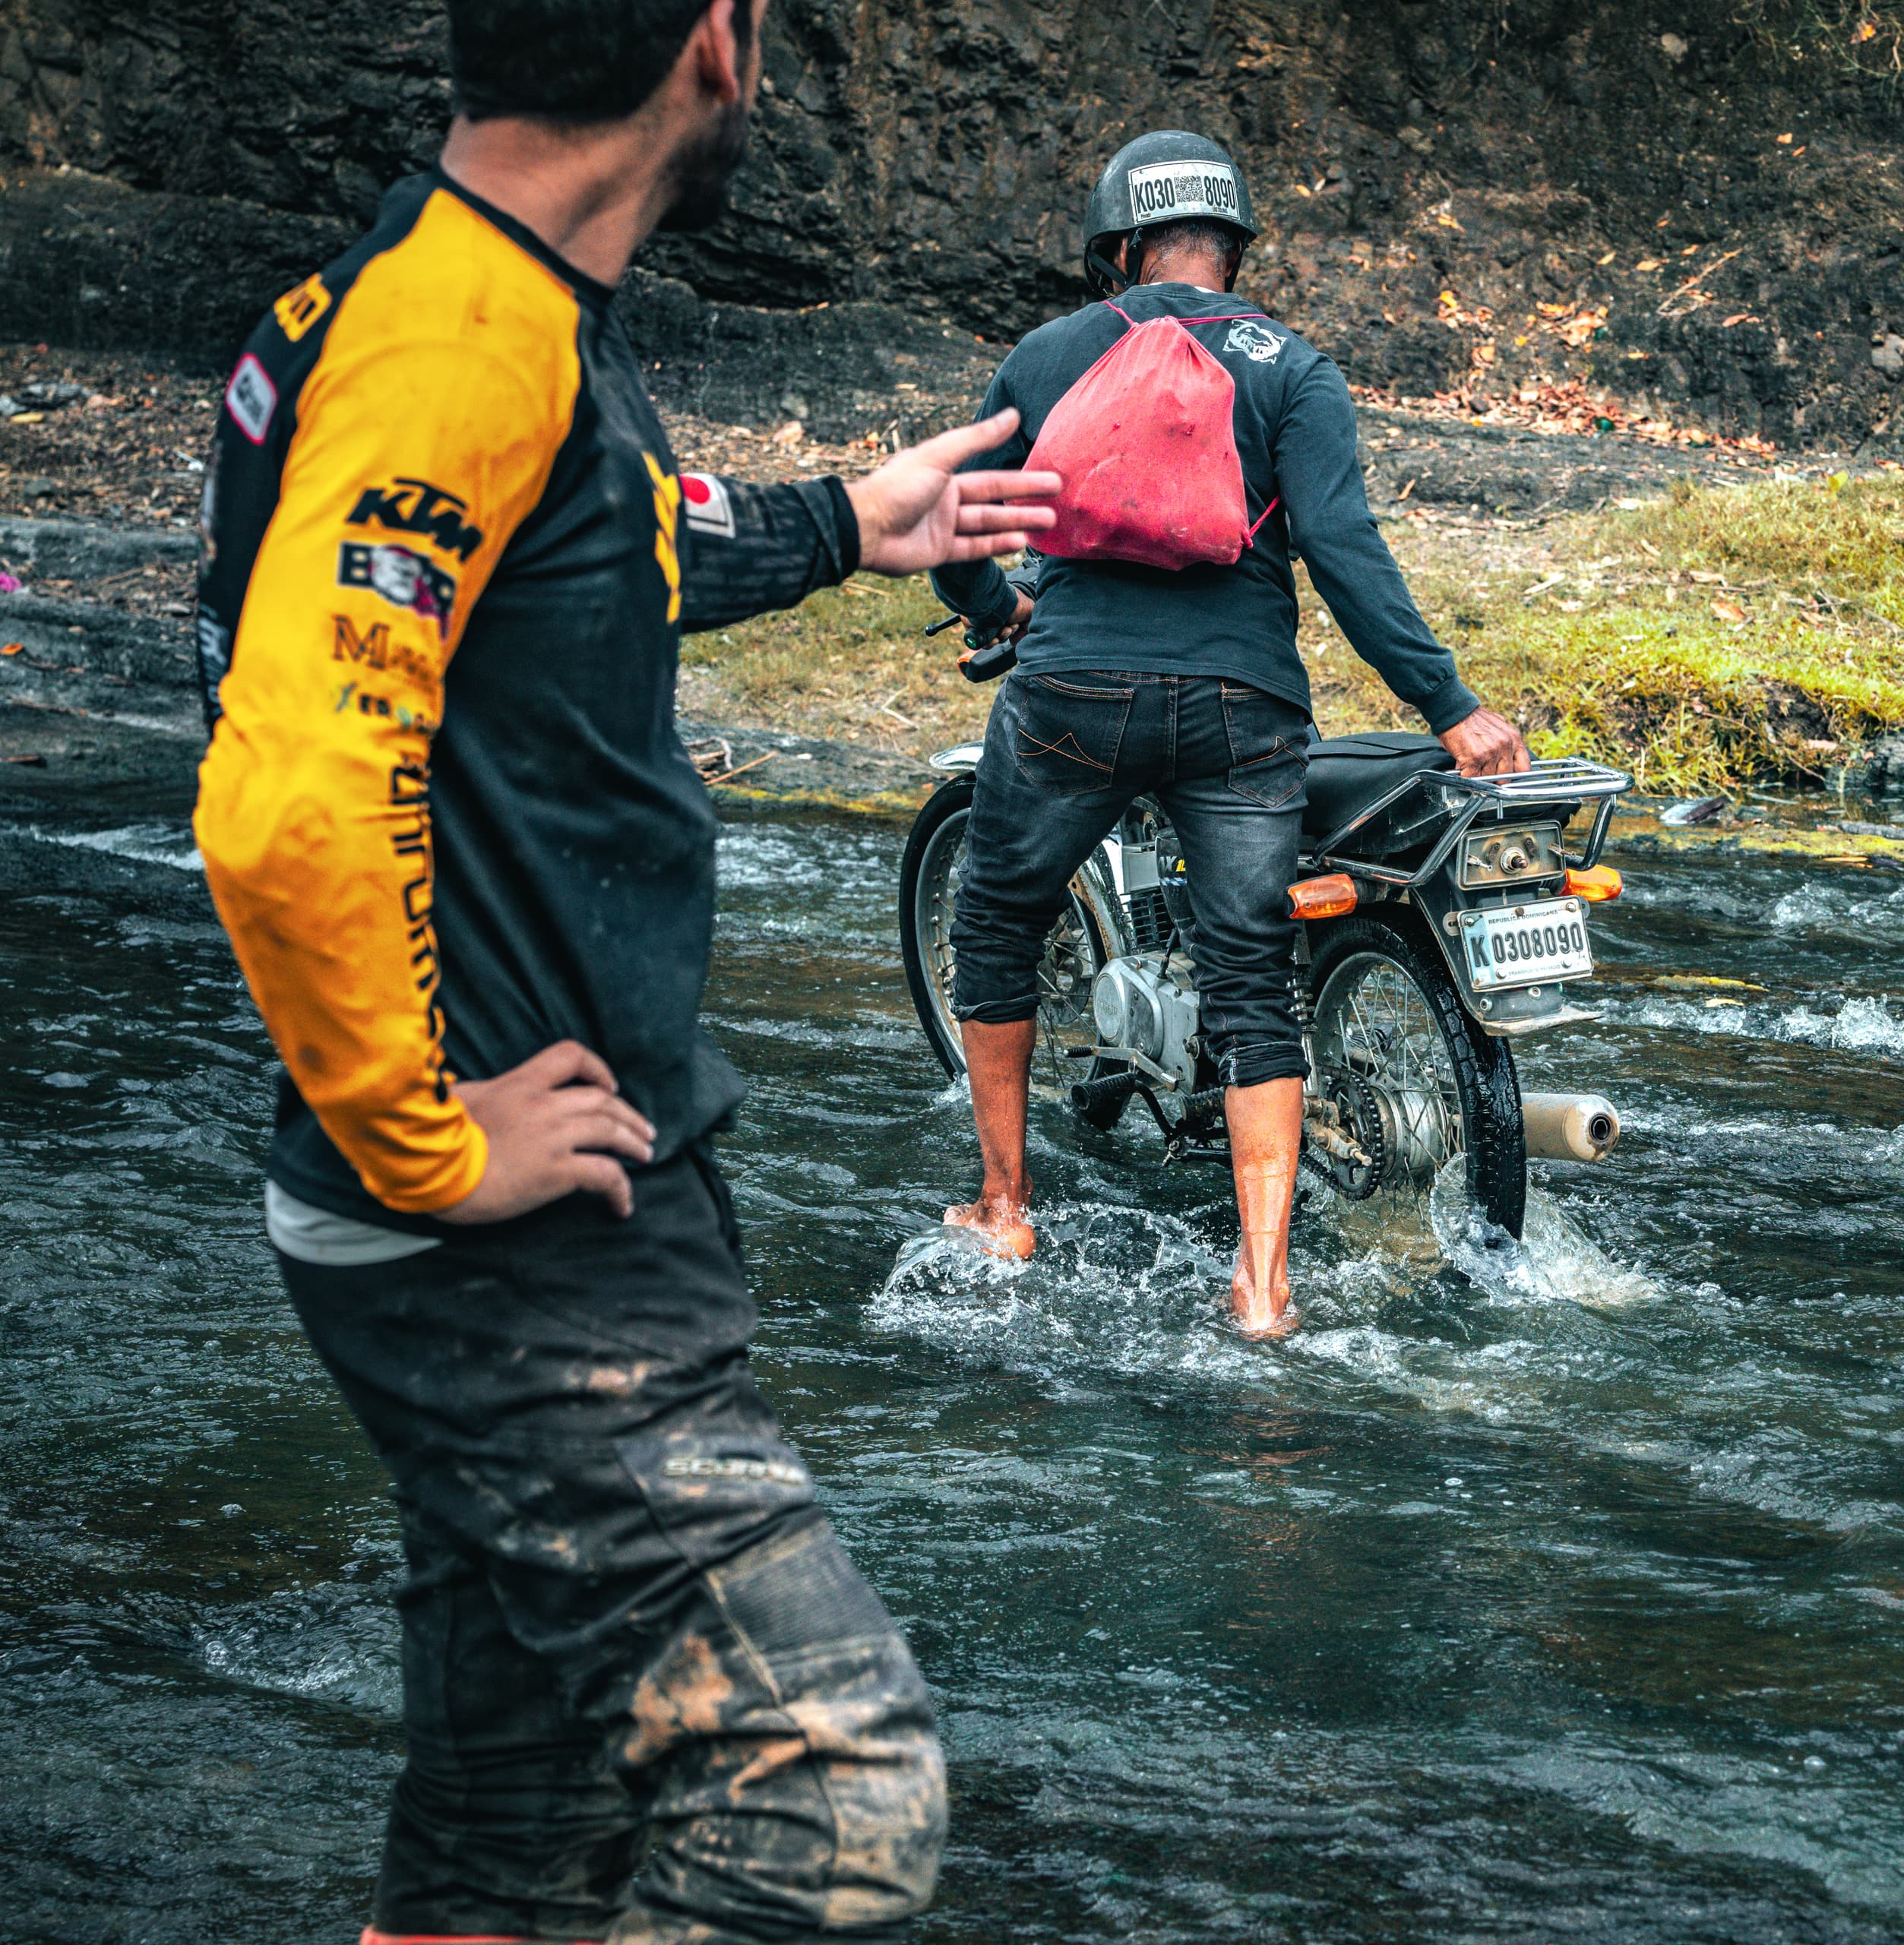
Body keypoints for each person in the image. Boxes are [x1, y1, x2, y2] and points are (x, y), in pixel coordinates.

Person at [188, 1, 1058, 1937]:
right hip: (509, 1243)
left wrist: (845, 522)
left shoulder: (458, 303)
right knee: (828, 1781)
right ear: (713, 47)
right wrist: (424, 1139)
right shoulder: (454, 340)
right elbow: (291, 795)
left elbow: (597, 539)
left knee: (509, 1837)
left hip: (538, 1196)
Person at [931, 131, 1531, 1336]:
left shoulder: (1047, 356)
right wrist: (1451, 705)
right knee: (1252, 973)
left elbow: (960, 533)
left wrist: (1001, 609)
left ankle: (1003, 1206)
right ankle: (1262, 1285)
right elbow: (1345, 553)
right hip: (1242, 711)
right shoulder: (1294, 368)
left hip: (1074, 697)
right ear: (1232, 248)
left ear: (1118, 249)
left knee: (996, 918)